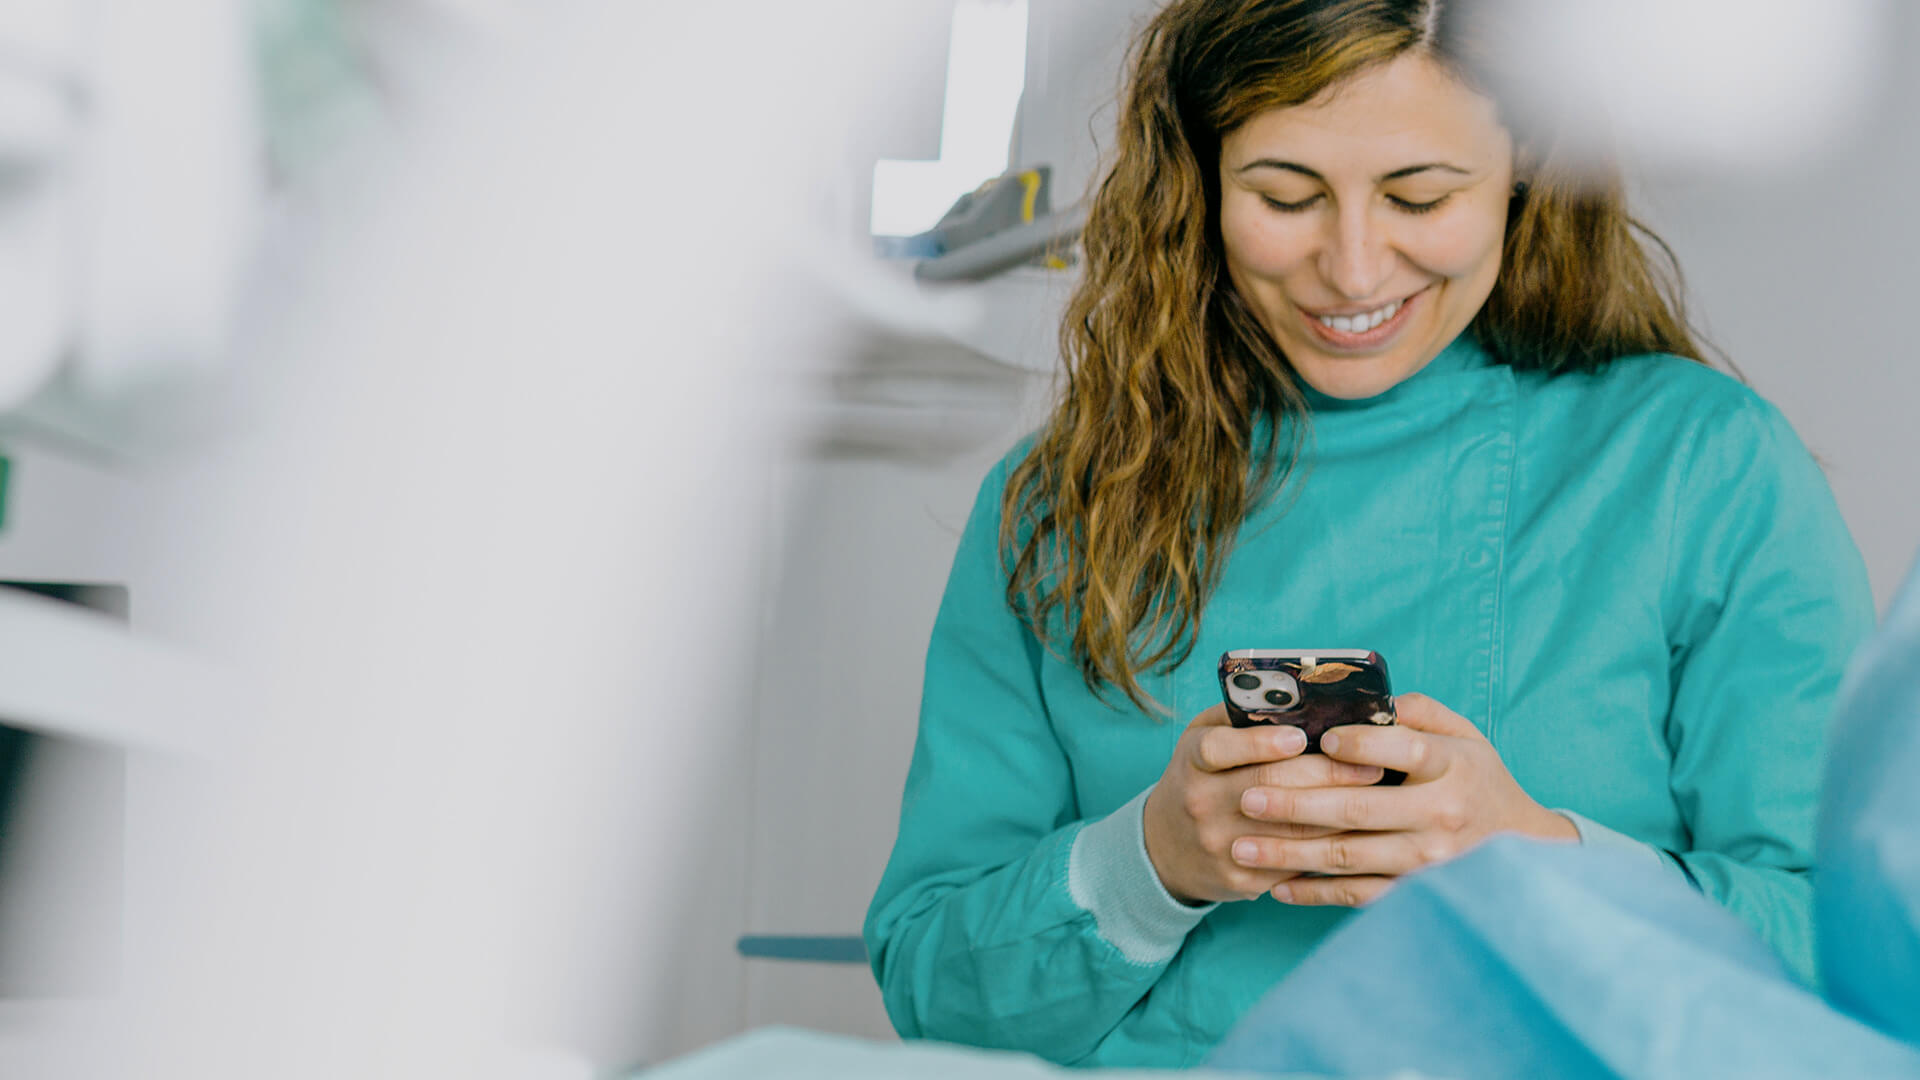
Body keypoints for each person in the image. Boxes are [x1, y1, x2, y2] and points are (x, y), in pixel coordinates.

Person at [863, 0, 1874, 1068]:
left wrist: (1532, 857)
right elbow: (934, 991)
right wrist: (1154, 858)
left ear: (1522, 163)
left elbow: (1850, 962)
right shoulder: (1057, 505)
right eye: (1285, 195)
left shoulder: (1699, 465)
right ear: (1200, 177)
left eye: (1419, 194)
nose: (1351, 270)